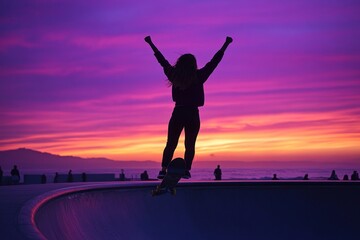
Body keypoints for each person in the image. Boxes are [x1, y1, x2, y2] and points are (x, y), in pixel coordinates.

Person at [145, 35, 233, 179]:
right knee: (190, 144)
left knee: (171, 143)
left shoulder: (174, 75)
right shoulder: (199, 76)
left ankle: (163, 169)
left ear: (180, 63)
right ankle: (186, 170)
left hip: (178, 111)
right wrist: (226, 44)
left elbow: (162, 61)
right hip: (192, 113)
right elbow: (214, 62)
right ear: (193, 64)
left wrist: (150, 44)